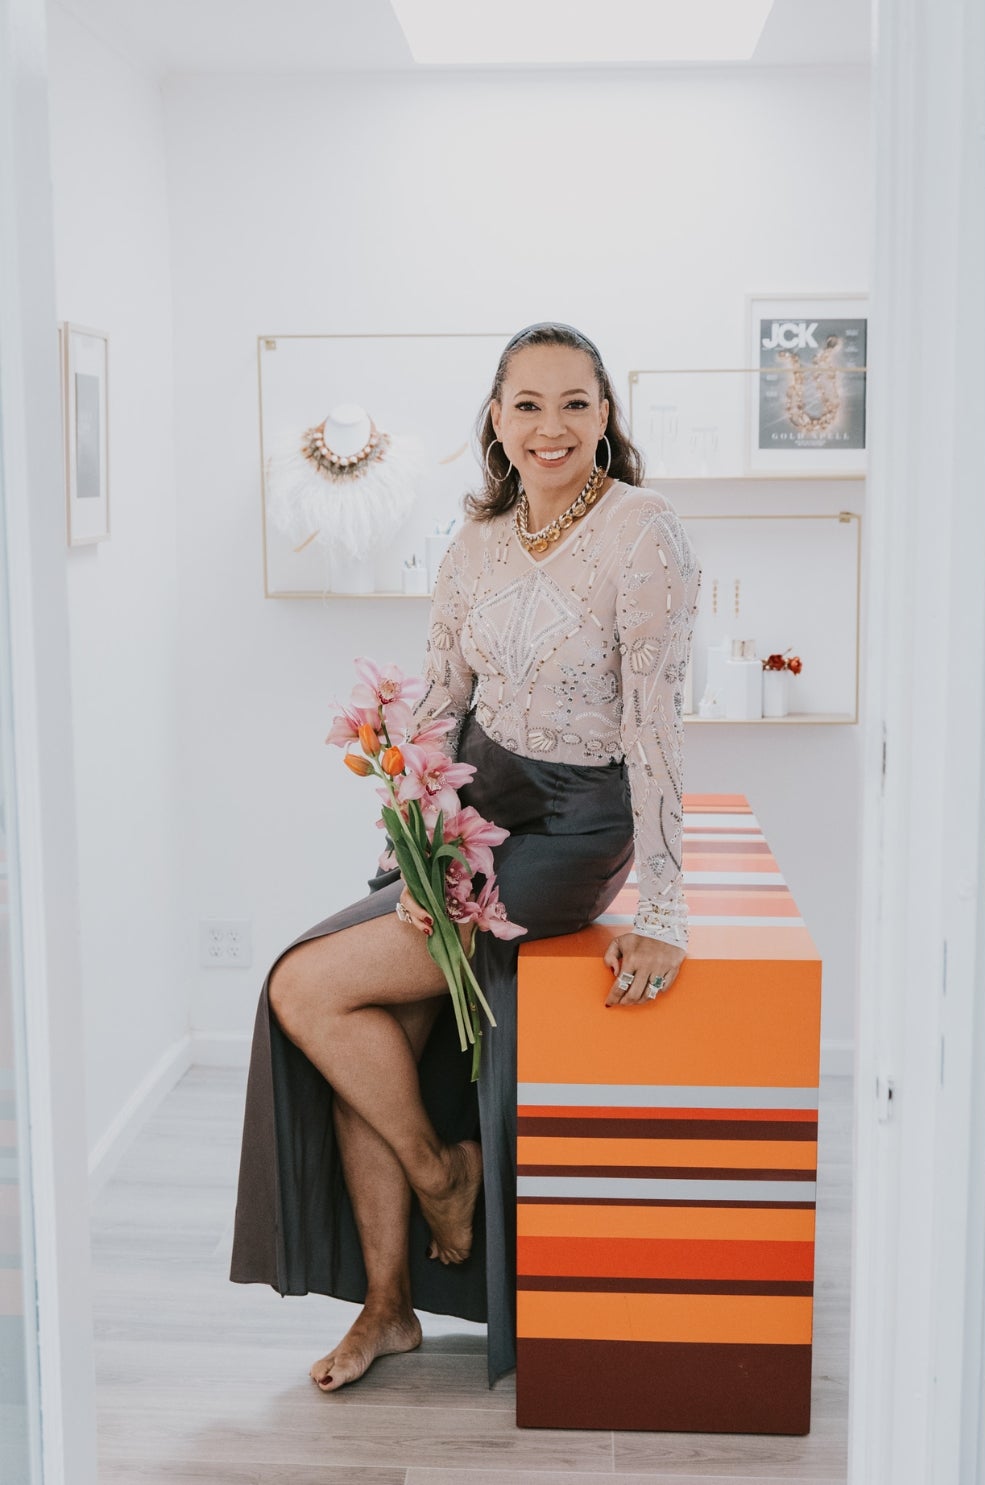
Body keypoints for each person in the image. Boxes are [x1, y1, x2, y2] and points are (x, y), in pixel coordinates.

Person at [230, 321, 701, 1393]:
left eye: (575, 403)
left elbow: (657, 725)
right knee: (368, 1017)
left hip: (577, 827)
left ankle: (448, 1179)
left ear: (605, 415)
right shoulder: (473, 539)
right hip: (473, 807)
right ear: (494, 418)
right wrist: (411, 841)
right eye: (527, 404)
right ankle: (387, 1308)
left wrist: (663, 907)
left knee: (306, 985)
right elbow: (439, 702)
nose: (551, 426)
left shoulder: (645, 531)